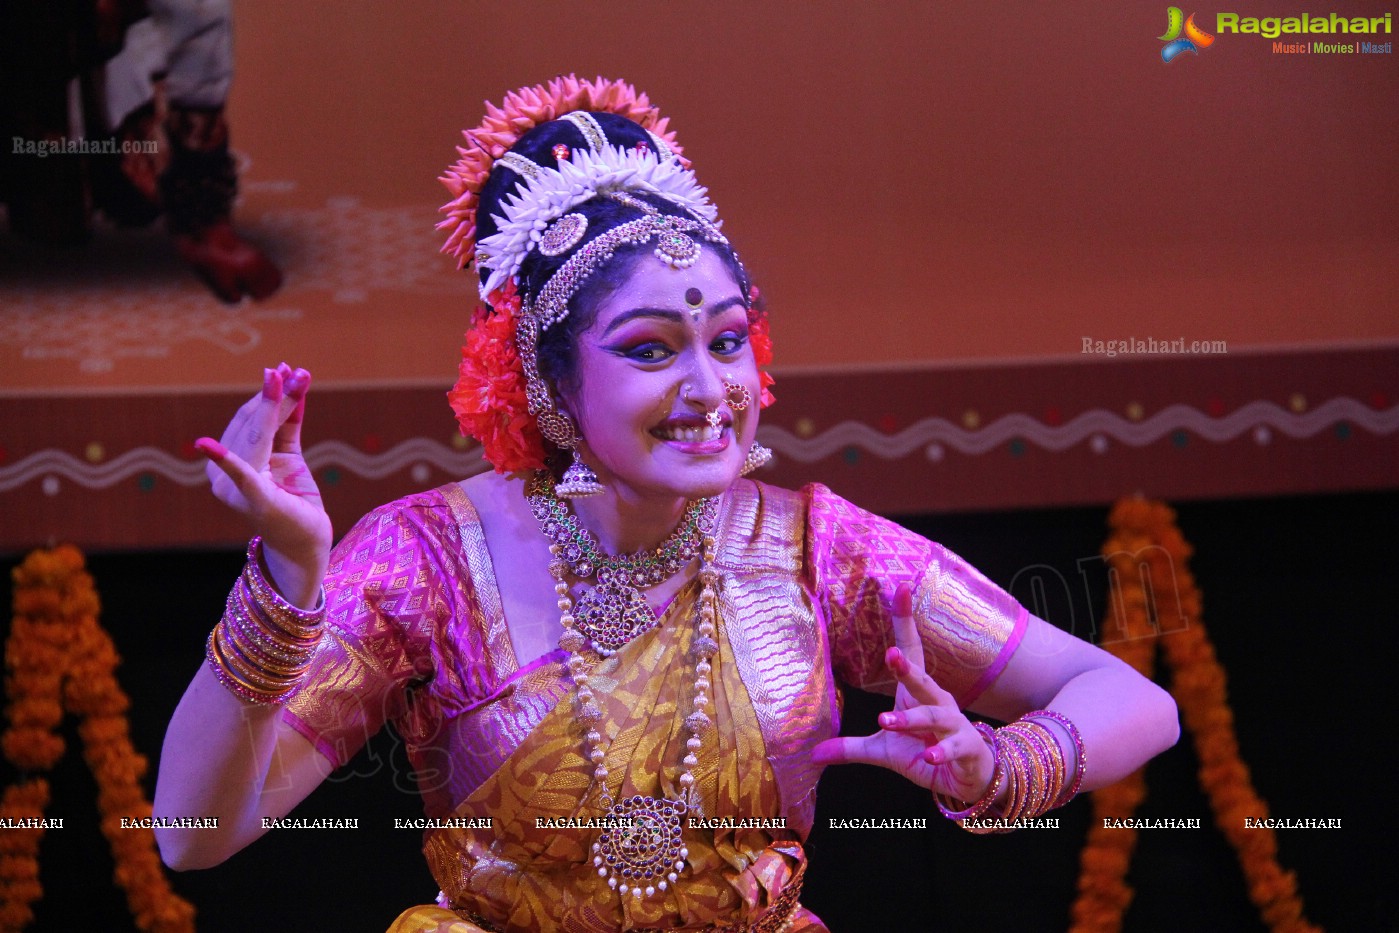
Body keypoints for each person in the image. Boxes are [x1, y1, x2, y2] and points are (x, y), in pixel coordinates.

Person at [152, 76, 1179, 932]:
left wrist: (1000, 766)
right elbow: (195, 836)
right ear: (545, 384)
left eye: (727, 340)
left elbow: (1137, 703)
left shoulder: (816, 547)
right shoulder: (426, 560)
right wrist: (286, 581)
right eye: (650, 349)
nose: (708, 388)